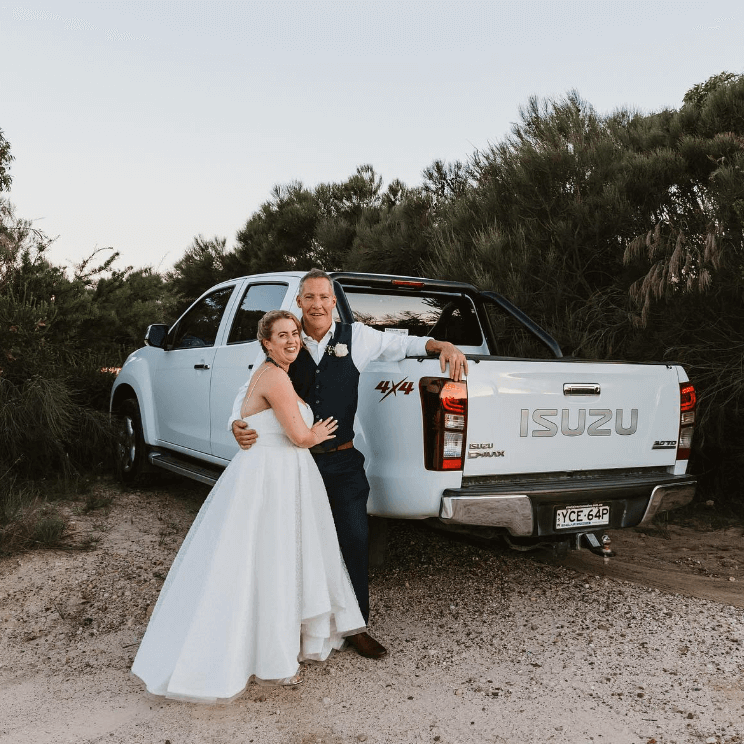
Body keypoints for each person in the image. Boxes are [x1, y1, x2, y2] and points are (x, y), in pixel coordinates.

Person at [230, 269, 468, 660]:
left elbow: (402, 344)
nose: (318, 304)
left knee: (355, 540)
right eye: (310, 297)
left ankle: (356, 627)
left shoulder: (357, 337)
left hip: (343, 464)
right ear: (299, 302)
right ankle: (293, 628)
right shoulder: (284, 342)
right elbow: (250, 390)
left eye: (325, 297)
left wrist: (443, 344)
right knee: (295, 544)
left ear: (334, 301)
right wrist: (235, 424)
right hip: (297, 462)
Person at [131, 310, 366, 703]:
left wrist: (242, 424)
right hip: (273, 476)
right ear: (266, 343)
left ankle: (267, 644)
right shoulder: (274, 376)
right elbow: (299, 436)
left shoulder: (269, 373)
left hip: (271, 473)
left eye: (295, 334)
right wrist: (318, 432)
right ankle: (273, 659)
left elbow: (244, 407)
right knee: (274, 562)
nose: (291, 340)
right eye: (282, 336)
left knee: (262, 561)